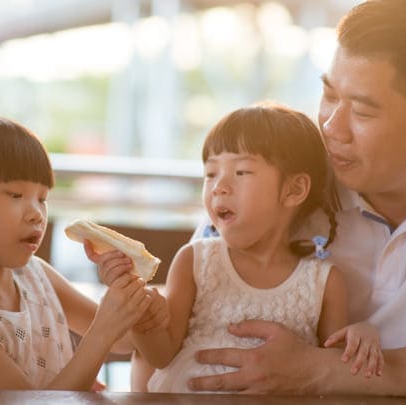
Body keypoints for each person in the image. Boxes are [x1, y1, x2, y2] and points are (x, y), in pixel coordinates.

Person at [186, 0, 406, 396]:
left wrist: (328, 370)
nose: (332, 127)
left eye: (363, 113)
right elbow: (191, 315)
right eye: (330, 94)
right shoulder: (286, 174)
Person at [87, 104, 383, 392]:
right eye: (211, 174)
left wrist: (360, 338)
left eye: (241, 172)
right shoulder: (194, 260)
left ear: (293, 190)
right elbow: (161, 355)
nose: (219, 186)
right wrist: (142, 319)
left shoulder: (325, 281)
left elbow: (328, 373)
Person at [0, 117, 164, 391]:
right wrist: (103, 331)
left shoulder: (35, 275)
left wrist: (132, 304)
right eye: (16, 195)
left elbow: (122, 341)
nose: (36, 214)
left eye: (42, 198)